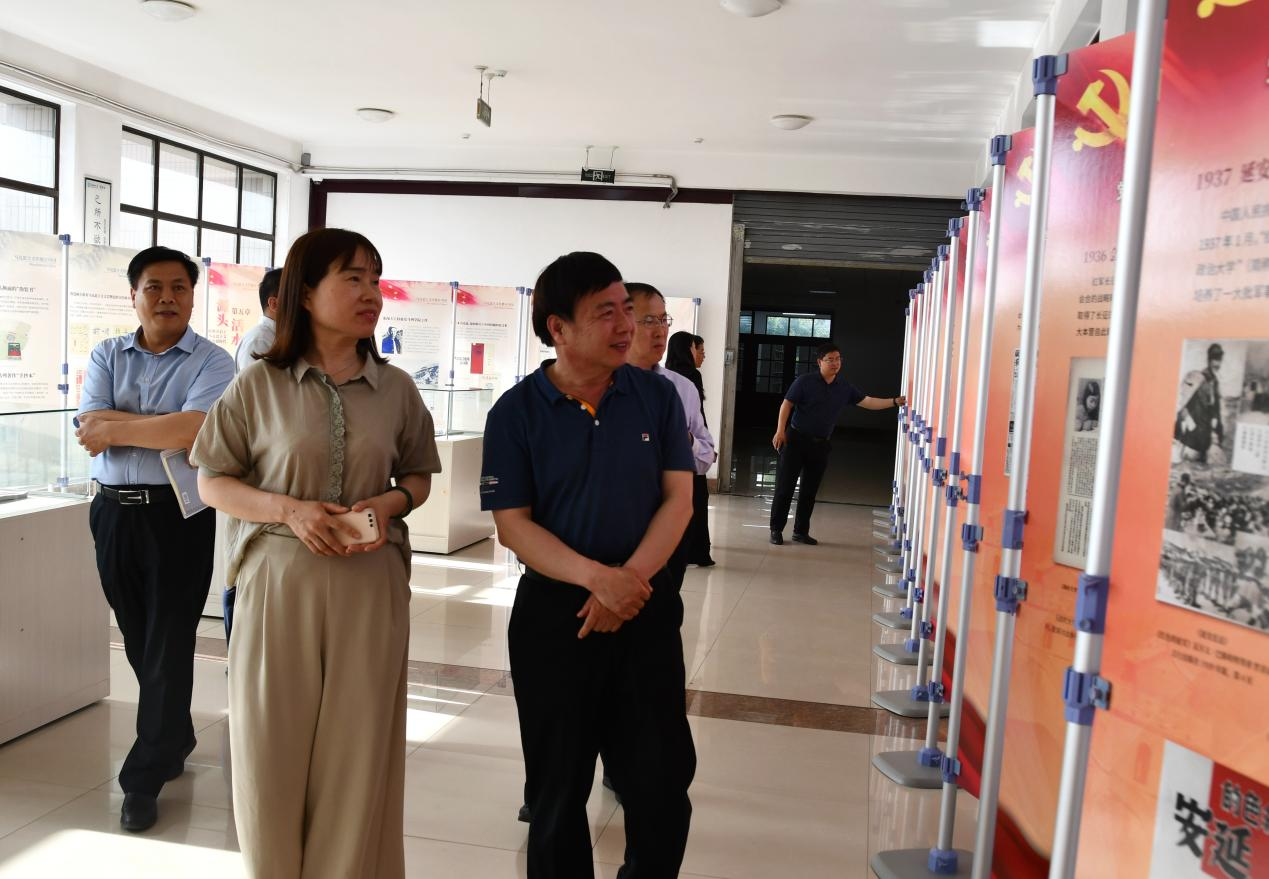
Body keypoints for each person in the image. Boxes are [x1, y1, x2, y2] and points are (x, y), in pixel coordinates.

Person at [192, 228, 441, 878]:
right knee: (268, 746)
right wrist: (288, 509)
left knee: (358, 750)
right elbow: (212, 480)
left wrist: (389, 503)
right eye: (352, 278)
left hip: (370, 580)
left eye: (375, 280)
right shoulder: (257, 384)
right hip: (278, 580)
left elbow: (418, 475)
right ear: (305, 293)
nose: (371, 294)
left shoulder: (396, 388)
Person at [481, 252, 696, 878]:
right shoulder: (516, 412)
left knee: (660, 781)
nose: (626, 324)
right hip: (555, 616)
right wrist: (599, 581)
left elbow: (679, 500)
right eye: (606, 312)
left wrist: (628, 583)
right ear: (558, 327)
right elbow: (513, 525)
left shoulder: (656, 396)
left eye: (627, 308)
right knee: (557, 790)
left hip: (645, 606)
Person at [75, 246, 235, 833]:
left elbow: (195, 430)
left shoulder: (214, 361)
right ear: (134, 295)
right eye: (154, 287)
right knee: (140, 637)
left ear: (192, 296)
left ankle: (142, 778)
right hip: (112, 513)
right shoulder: (105, 354)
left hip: (178, 516)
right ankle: (174, 734)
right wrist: (156, 428)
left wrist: (120, 425)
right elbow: (89, 427)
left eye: (178, 287)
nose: (166, 297)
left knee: (169, 638)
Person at [769, 342, 905, 545]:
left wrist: (894, 402)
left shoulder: (844, 387)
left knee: (809, 490)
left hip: (820, 445)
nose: (835, 363)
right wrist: (780, 430)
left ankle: (800, 531)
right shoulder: (805, 381)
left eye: (838, 359)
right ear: (819, 362)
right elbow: (787, 404)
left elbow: (868, 402)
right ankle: (776, 529)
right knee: (785, 487)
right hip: (796, 440)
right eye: (830, 359)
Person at [223, 267, 283, 642]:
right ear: (274, 302)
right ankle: (237, 647)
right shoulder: (261, 340)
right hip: (256, 465)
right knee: (242, 557)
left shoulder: (282, 339)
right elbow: (258, 406)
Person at [666, 328, 715, 565]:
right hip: (690, 446)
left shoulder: (666, 374)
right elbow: (698, 418)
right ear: (687, 350)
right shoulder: (690, 376)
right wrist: (705, 446)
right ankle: (697, 552)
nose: (702, 355)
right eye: (698, 349)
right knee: (696, 500)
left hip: (674, 450)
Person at [1176, 343, 1225, 464]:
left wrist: (1217, 432)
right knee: (1189, 466)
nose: (1217, 364)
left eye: (1219, 360)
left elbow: (1215, 409)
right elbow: (1180, 403)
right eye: (1215, 359)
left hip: (1206, 441)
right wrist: (1191, 425)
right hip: (1192, 440)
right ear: (1209, 359)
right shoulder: (1196, 377)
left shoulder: (1215, 382)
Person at [234, 268, 281, 372]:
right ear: (274, 304)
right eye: (295, 298)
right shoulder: (259, 341)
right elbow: (255, 382)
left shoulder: (274, 337)